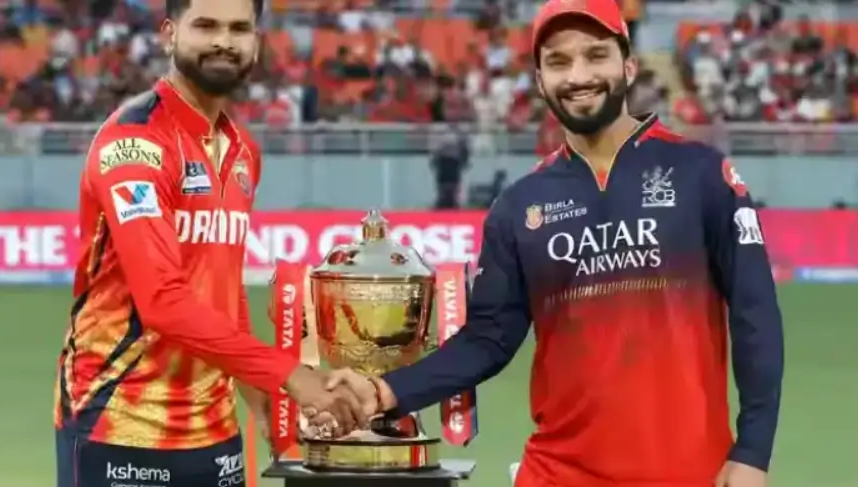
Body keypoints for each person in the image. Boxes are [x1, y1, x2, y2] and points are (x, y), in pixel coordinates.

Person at [316, 0, 785, 486]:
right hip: (558, 474)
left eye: (595, 55)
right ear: (539, 80)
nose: (578, 75)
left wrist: (753, 450)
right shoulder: (520, 206)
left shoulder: (702, 173)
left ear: (627, 65)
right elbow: (487, 340)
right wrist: (381, 392)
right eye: (558, 62)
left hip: (687, 472)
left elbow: (756, 314)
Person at [53, 1, 367, 486]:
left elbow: (220, 286)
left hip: (215, 433)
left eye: (239, 28)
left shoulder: (243, 151)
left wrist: (259, 392)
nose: (224, 40)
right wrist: (292, 376)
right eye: (206, 25)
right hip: (121, 427)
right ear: (168, 34)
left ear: (256, 42)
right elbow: (162, 300)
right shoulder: (134, 145)